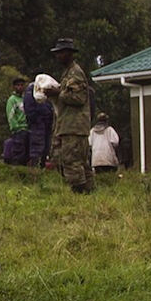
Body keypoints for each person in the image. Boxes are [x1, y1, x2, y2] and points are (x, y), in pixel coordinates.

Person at [49, 39, 94, 193]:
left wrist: (58, 93)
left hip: (73, 127)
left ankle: (80, 193)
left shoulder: (75, 73)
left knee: (72, 161)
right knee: (81, 163)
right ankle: (90, 193)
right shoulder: (68, 72)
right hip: (70, 125)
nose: (58, 56)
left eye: (61, 53)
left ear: (69, 53)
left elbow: (79, 98)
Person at [25, 74, 56, 167]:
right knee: (36, 147)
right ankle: (35, 168)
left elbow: (50, 106)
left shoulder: (45, 89)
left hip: (46, 124)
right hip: (37, 124)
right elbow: (29, 109)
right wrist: (37, 120)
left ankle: (42, 167)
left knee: (46, 148)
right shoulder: (31, 89)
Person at [1, 77, 30, 164]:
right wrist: (16, 128)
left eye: (22, 85)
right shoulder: (12, 100)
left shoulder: (25, 99)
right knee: (19, 152)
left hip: (27, 129)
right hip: (18, 130)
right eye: (18, 85)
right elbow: (10, 115)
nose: (20, 87)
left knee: (26, 153)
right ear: (14, 87)